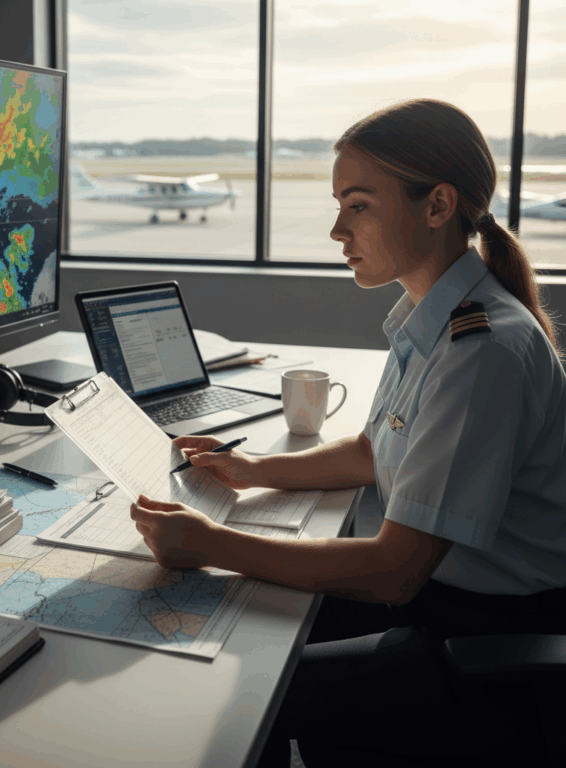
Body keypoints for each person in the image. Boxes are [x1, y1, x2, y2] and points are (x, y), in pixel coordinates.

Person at [130, 98, 566, 765]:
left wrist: (211, 543)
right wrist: (251, 472)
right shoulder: (433, 318)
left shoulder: (481, 352)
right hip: (436, 598)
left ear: (438, 205)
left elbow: (395, 571)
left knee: (234, 688)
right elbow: (374, 451)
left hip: (467, 635)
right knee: (241, 624)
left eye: (358, 205)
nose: (338, 229)